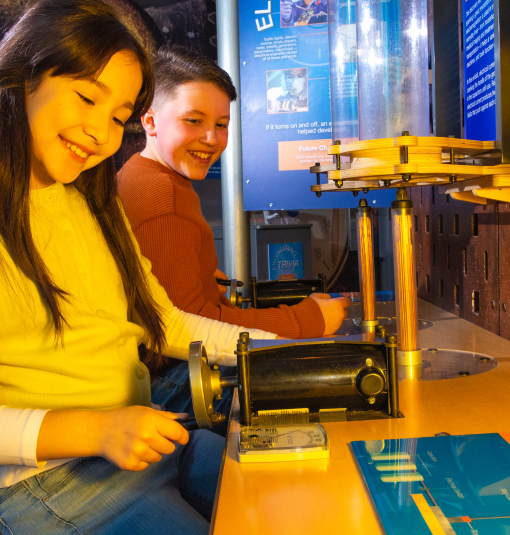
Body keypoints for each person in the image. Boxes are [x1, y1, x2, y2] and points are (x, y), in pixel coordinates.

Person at [0, 0, 273, 535]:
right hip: (56, 482)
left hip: (149, 442)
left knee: (290, 498)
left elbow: (160, 321)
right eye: (87, 98)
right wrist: (98, 428)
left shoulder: (91, 199)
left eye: (117, 118)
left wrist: (268, 350)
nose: (99, 132)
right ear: (21, 79)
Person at [116, 46, 349, 417]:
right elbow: (187, 325)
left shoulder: (146, 174)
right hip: (169, 377)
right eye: (194, 121)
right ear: (150, 122)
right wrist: (305, 320)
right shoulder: (162, 198)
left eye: (221, 124)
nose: (211, 138)